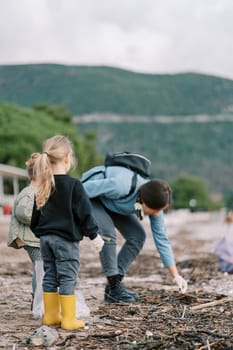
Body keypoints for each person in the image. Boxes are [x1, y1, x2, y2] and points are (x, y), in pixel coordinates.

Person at [81, 163, 188, 303]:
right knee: (108, 232)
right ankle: (114, 286)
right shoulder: (120, 186)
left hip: (113, 203)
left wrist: (176, 276)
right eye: (155, 210)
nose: (157, 214)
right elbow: (80, 189)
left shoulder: (155, 204)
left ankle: (114, 285)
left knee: (137, 236)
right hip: (93, 198)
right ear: (144, 202)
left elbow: (162, 239)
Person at [30, 135, 104, 330]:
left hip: (46, 240)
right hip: (65, 240)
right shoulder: (74, 186)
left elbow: (34, 216)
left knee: (50, 275)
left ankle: (51, 316)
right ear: (67, 158)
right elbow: (84, 214)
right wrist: (94, 235)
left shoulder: (44, 184)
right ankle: (69, 319)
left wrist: (40, 233)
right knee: (68, 276)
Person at [7, 152, 42, 312]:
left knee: (41, 267)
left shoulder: (35, 191)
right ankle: (38, 298)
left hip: (34, 237)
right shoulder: (29, 192)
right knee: (41, 266)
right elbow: (23, 212)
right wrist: (42, 220)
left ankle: (39, 298)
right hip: (30, 239)